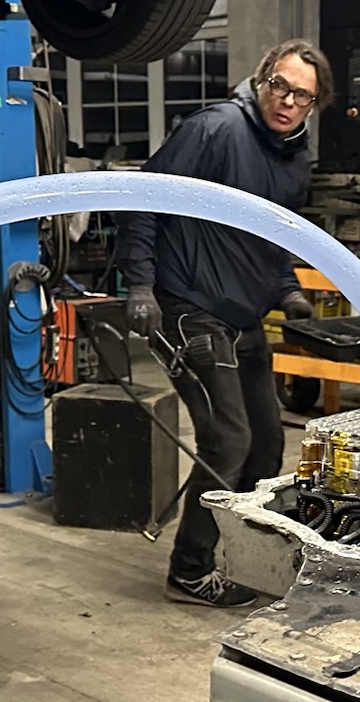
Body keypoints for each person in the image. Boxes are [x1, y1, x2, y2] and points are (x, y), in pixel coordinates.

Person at [116, 39, 333, 607]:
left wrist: (288, 289)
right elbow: (144, 198)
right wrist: (139, 283)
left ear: (314, 105)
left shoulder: (294, 156)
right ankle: (188, 571)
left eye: (303, 96)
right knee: (228, 439)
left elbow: (274, 234)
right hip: (189, 305)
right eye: (280, 87)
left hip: (243, 314)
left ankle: (243, 557)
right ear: (261, 81)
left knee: (267, 445)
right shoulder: (215, 129)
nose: (288, 102)